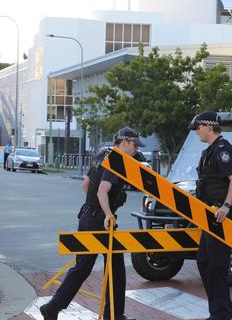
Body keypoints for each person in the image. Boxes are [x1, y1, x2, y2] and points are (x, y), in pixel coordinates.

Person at [39, 127, 144, 320]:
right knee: (111, 266)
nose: (137, 149)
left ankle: (55, 307)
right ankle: (111, 314)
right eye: (135, 145)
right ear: (125, 142)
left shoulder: (103, 153)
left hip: (88, 216)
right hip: (100, 221)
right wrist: (106, 214)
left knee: (89, 266)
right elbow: (102, 191)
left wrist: (93, 208)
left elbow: (86, 184)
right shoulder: (117, 160)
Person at [188, 111, 232, 320]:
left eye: (198, 128)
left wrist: (226, 206)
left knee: (216, 264)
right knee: (204, 261)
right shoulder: (210, 151)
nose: (196, 132)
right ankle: (224, 309)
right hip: (210, 216)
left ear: (209, 127)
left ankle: (221, 313)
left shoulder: (222, 150)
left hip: (221, 216)